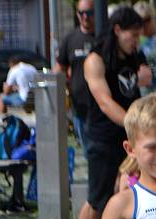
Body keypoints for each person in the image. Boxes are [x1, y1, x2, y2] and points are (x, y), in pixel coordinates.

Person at [75, 7, 147, 219]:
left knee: (131, 190)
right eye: (133, 35)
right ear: (117, 30)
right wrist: (136, 124)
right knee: (98, 196)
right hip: (103, 136)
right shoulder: (95, 59)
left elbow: (145, 76)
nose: (136, 41)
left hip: (129, 135)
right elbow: (105, 102)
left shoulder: (133, 55)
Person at [55, 0, 96, 150]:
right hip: (80, 106)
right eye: (81, 13)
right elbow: (59, 68)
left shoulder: (103, 36)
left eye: (90, 13)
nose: (85, 17)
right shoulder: (70, 39)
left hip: (102, 107)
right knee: (87, 150)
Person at [134, 1, 156, 94]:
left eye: (146, 19)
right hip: (144, 92)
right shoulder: (134, 42)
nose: (144, 24)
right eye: (140, 21)